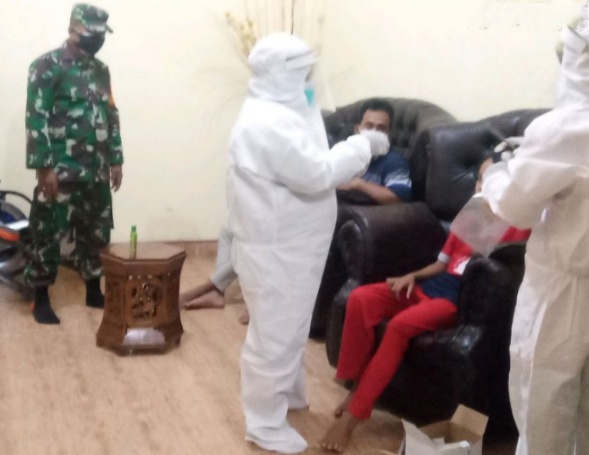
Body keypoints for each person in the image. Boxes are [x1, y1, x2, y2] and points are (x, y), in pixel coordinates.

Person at [227, 33, 388, 453]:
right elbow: (317, 173)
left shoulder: (283, 105)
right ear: (282, 74)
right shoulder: (267, 122)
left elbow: (311, 127)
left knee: (290, 326)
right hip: (277, 249)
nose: (310, 81)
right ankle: (264, 422)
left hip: (291, 245)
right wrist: (363, 144)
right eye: (303, 73)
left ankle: (289, 395)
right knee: (275, 336)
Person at [319, 157, 530, 453]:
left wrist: (494, 219)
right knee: (361, 299)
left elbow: (494, 272)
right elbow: (442, 265)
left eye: (491, 179)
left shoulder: (518, 225)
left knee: (399, 327)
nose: (482, 186)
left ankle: (353, 417)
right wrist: (412, 276)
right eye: (480, 179)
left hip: (456, 299)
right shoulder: (470, 213)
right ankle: (354, 387)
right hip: (431, 285)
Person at [181, 99, 410, 321]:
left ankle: (217, 288)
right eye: (369, 126)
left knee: (261, 235)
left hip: (345, 217)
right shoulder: (343, 150)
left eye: (381, 128)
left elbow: (397, 196)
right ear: (358, 128)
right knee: (233, 227)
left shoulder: (393, 162)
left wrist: (359, 184)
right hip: (315, 207)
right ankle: (218, 288)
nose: (374, 133)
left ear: (389, 133)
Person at [481, 11, 589, 455]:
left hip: (562, 292)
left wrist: (492, 176)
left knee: (542, 409)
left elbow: (515, 208)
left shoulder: (567, 126)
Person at [25, 3, 123, 325]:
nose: (98, 39)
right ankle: (41, 297)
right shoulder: (47, 65)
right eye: (92, 33)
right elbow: (36, 117)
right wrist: (43, 167)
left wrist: (116, 159)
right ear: (73, 30)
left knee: (96, 231)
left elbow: (111, 115)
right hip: (61, 168)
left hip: (96, 167)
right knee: (47, 233)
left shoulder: (101, 70)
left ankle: (93, 290)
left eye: (101, 34)